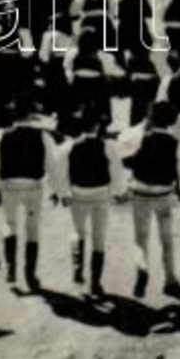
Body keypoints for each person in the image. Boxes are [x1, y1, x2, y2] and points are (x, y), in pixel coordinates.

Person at [118, 102, 180, 301]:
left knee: (141, 239)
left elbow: (121, 145)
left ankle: (142, 270)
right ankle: (170, 280)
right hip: (163, 194)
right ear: (172, 120)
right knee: (166, 240)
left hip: (140, 191)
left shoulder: (139, 138)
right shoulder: (176, 143)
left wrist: (142, 127)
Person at [51, 111, 129, 299]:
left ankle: (77, 270)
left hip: (78, 193)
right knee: (99, 236)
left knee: (77, 231)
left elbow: (59, 172)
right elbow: (116, 172)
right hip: (101, 194)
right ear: (97, 127)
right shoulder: (108, 146)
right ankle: (95, 282)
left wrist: (62, 193)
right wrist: (118, 192)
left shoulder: (68, 147)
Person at [0, 111, 60, 293]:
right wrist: (55, 189)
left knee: (9, 224)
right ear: (32, 118)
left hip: (9, 185)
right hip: (34, 186)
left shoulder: (0, 136)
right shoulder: (43, 137)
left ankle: (11, 268)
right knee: (32, 229)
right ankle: (30, 274)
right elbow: (53, 165)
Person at [62, 27, 123, 136]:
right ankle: (103, 119)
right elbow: (113, 72)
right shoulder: (104, 56)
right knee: (107, 83)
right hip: (96, 90)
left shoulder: (72, 54)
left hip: (78, 88)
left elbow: (67, 70)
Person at [116, 0, 153, 64]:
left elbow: (118, 16)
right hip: (140, 29)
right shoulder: (143, 1)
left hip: (124, 31)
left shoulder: (122, 2)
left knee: (119, 52)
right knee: (143, 54)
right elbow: (149, 14)